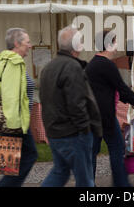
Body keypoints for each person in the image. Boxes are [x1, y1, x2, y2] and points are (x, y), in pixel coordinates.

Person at [40, 26, 102, 187]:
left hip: (55, 131)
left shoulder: (48, 67)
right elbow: (77, 104)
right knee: (85, 179)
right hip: (72, 133)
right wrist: (85, 129)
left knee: (60, 172)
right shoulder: (72, 67)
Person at [85, 30, 134, 187]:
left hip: (92, 116)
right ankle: (121, 184)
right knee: (117, 149)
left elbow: (115, 89)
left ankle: (88, 183)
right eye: (116, 42)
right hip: (106, 117)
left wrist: (129, 100)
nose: (117, 46)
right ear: (109, 44)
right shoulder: (107, 65)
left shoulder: (92, 64)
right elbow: (121, 87)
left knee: (92, 152)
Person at [0, 28, 38, 187]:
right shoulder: (14, 63)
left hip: (13, 120)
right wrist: (15, 124)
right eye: (27, 42)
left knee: (8, 165)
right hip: (15, 122)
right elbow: (9, 95)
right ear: (17, 44)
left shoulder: (5, 60)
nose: (30, 46)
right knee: (30, 155)